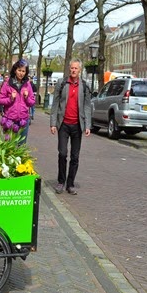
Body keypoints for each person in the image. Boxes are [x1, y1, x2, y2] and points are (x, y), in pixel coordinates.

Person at [49, 59, 92, 195]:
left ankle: (70, 183)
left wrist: (87, 125)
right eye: (72, 68)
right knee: (62, 153)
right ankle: (61, 181)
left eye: (76, 68)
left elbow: (87, 106)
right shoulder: (62, 84)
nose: (73, 70)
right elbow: (55, 104)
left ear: (79, 70)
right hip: (63, 124)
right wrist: (53, 123)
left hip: (77, 125)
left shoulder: (84, 86)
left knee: (75, 156)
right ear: (69, 69)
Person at [0, 59, 35, 144]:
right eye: (19, 70)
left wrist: (26, 98)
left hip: (23, 120)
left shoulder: (27, 84)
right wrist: (10, 99)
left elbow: (32, 102)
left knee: (21, 146)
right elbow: (0, 99)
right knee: (9, 145)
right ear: (15, 70)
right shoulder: (7, 83)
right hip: (10, 119)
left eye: (23, 71)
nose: (21, 73)